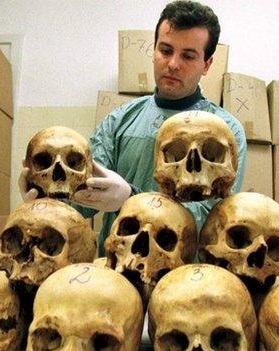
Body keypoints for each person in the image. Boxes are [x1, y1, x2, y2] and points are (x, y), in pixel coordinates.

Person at [20, 0, 247, 256]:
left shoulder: (226, 133)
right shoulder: (118, 121)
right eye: (165, 50)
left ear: (206, 65)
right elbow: (83, 195)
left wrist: (130, 198)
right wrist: (47, 200)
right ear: (153, 51)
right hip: (117, 269)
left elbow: (213, 217)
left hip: (186, 276)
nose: (173, 63)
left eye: (188, 55)